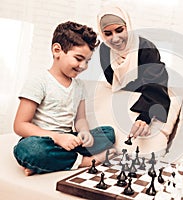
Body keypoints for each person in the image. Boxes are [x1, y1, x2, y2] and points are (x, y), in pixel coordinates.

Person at [13, 21, 116, 176]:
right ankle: (85, 161)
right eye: (79, 58)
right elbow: (20, 125)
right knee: (28, 150)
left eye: (87, 61)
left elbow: (80, 119)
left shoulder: (79, 86)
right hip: (43, 140)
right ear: (57, 50)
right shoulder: (39, 81)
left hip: (69, 139)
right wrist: (57, 138)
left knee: (108, 133)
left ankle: (46, 164)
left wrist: (84, 132)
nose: (83, 66)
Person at [97, 6, 170, 139]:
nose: (115, 38)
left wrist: (144, 116)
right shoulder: (105, 51)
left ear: (127, 26)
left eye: (119, 30)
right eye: (108, 33)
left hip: (146, 101)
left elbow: (155, 85)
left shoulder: (146, 49)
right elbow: (112, 80)